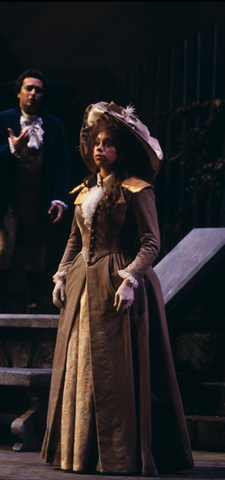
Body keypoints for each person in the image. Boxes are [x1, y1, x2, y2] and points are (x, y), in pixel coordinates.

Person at [41, 102, 194, 475]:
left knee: (116, 372)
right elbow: (75, 242)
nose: (100, 148)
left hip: (118, 286)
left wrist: (130, 278)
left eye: (108, 144)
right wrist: (61, 275)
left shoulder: (136, 189)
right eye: (97, 142)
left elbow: (151, 242)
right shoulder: (82, 191)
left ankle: (118, 454)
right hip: (81, 287)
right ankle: (78, 452)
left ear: (119, 150)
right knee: (78, 366)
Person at [0, 70, 70, 314]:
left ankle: (34, 307)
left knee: (37, 252)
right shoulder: (0, 120)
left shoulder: (54, 125)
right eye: (29, 88)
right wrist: (11, 149)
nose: (34, 93)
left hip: (39, 200)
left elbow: (62, 164)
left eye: (38, 89)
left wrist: (59, 198)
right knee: (3, 249)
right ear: (19, 92)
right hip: (8, 200)